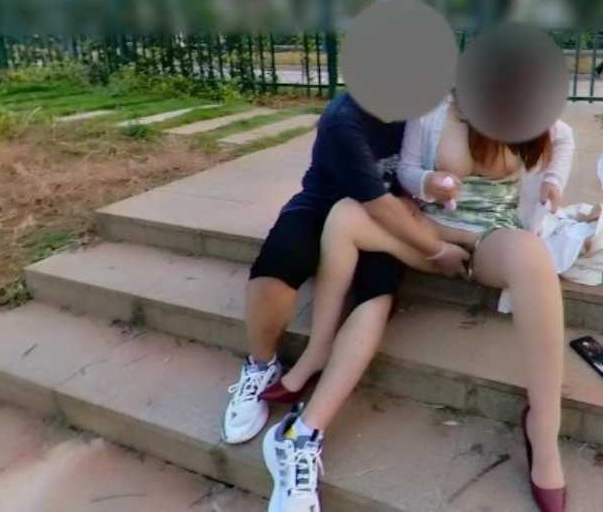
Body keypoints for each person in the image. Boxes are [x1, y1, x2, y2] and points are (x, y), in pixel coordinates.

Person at [271, 93, 574, 512]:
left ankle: (543, 428)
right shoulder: (435, 109)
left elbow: (564, 138)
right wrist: (428, 182)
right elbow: (409, 170)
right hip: (430, 232)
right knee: (344, 214)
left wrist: (553, 182)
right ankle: (319, 347)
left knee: (533, 258)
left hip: (490, 236)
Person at [220, 93, 470, 511]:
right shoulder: (344, 119)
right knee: (280, 261)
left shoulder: (425, 109)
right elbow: (380, 205)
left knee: (377, 291)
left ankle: (303, 434)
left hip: (383, 221)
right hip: (324, 205)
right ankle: (261, 364)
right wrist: (436, 250)